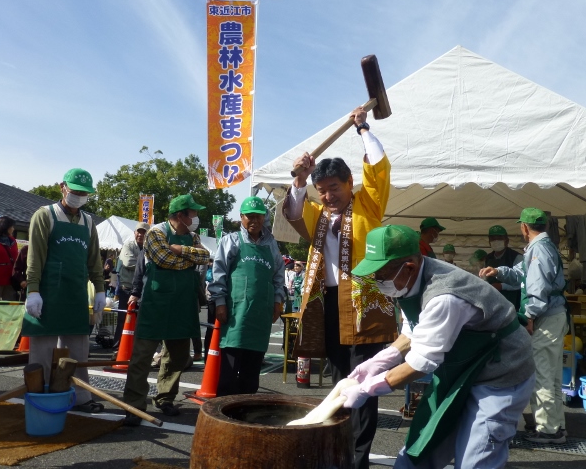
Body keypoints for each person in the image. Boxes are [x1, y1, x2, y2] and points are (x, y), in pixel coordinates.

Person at [342, 225, 535, 468]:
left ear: (409, 266)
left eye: (381, 275)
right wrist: (380, 361)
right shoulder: (409, 281)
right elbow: (414, 330)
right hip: (461, 369)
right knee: (420, 449)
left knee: (476, 460)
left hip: (501, 373)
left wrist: (370, 388)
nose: (378, 282)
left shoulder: (444, 296)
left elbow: (422, 362)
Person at [283, 106, 397, 469]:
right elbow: (293, 212)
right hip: (327, 303)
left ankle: (357, 458)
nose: (328, 195)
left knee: (363, 381)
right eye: (322, 190)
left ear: (350, 184)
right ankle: (337, 449)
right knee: (338, 378)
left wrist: (363, 128)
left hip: (364, 304)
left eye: (334, 187)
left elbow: (379, 167)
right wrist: (299, 180)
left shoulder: (368, 203)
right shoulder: (317, 216)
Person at [480, 208, 568, 444]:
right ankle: (557, 425)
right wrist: (498, 271)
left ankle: (548, 431)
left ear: (524, 227)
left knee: (542, 375)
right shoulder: (541, 247)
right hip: (554, 316)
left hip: (546, 317)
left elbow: (537, 289)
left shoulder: (538, 249)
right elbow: (521, 274)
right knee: (553, 376)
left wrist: (529, 316)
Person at [23, 168, 106, 413]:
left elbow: (94, 260)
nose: (79, 197)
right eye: (75, 191)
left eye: (84, 193)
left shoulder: (88, 221)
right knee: (42, 352)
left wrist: (100, 288)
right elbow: (35, 258)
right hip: (47, 294)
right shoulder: (45, 216)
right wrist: (33, 290)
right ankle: (40, 396)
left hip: (75, 294)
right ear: (62, 187)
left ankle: (80, 398)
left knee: (78, 350)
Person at [122, 194, 210, 424]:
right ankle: (134, 404)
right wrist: (189, 257)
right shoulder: (156, 232)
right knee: (142, 355)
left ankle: (165, 398)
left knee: (177, 355)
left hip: (182, 302)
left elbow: (205, 256)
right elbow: (163, 259)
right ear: (180, 215)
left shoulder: (192, 236)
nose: (196, 217)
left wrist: (181, 250)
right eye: (193, 213)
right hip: (156, 301)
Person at [210, 196, 284, 396]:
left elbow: (278, 276)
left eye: (258, 217)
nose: (254, 221)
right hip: (236, 313)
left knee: (251, 374)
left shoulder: (272, 245)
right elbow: (219, 273)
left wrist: (278, 301)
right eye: (249, 216)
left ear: (264, 218)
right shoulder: (231, 241)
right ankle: (224, 415)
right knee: (229, 371)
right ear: (241, 217)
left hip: (261, 314)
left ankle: (245, 414)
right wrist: (219, 302)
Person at [113, 222, 150, 348]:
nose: (140, 234)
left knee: (139, 320)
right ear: (134, 233)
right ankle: (118, 345)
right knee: (123, 318)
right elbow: (128, 262)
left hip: (142, 289)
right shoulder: (128, 245)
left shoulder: (149, 247)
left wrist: (142, 264)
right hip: (127, 288)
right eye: (138, 231)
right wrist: (144, 265)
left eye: (144, 232)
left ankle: (133, 346)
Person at [484, 224, 523, 310]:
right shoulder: (488, 258)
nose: (496, 241)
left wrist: (501, 286)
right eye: (493, 239)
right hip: (493, 303)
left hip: (512, 303)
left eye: (499, 238)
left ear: (507, 241)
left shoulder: (517, 257)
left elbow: (522, 281)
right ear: (489, 242)